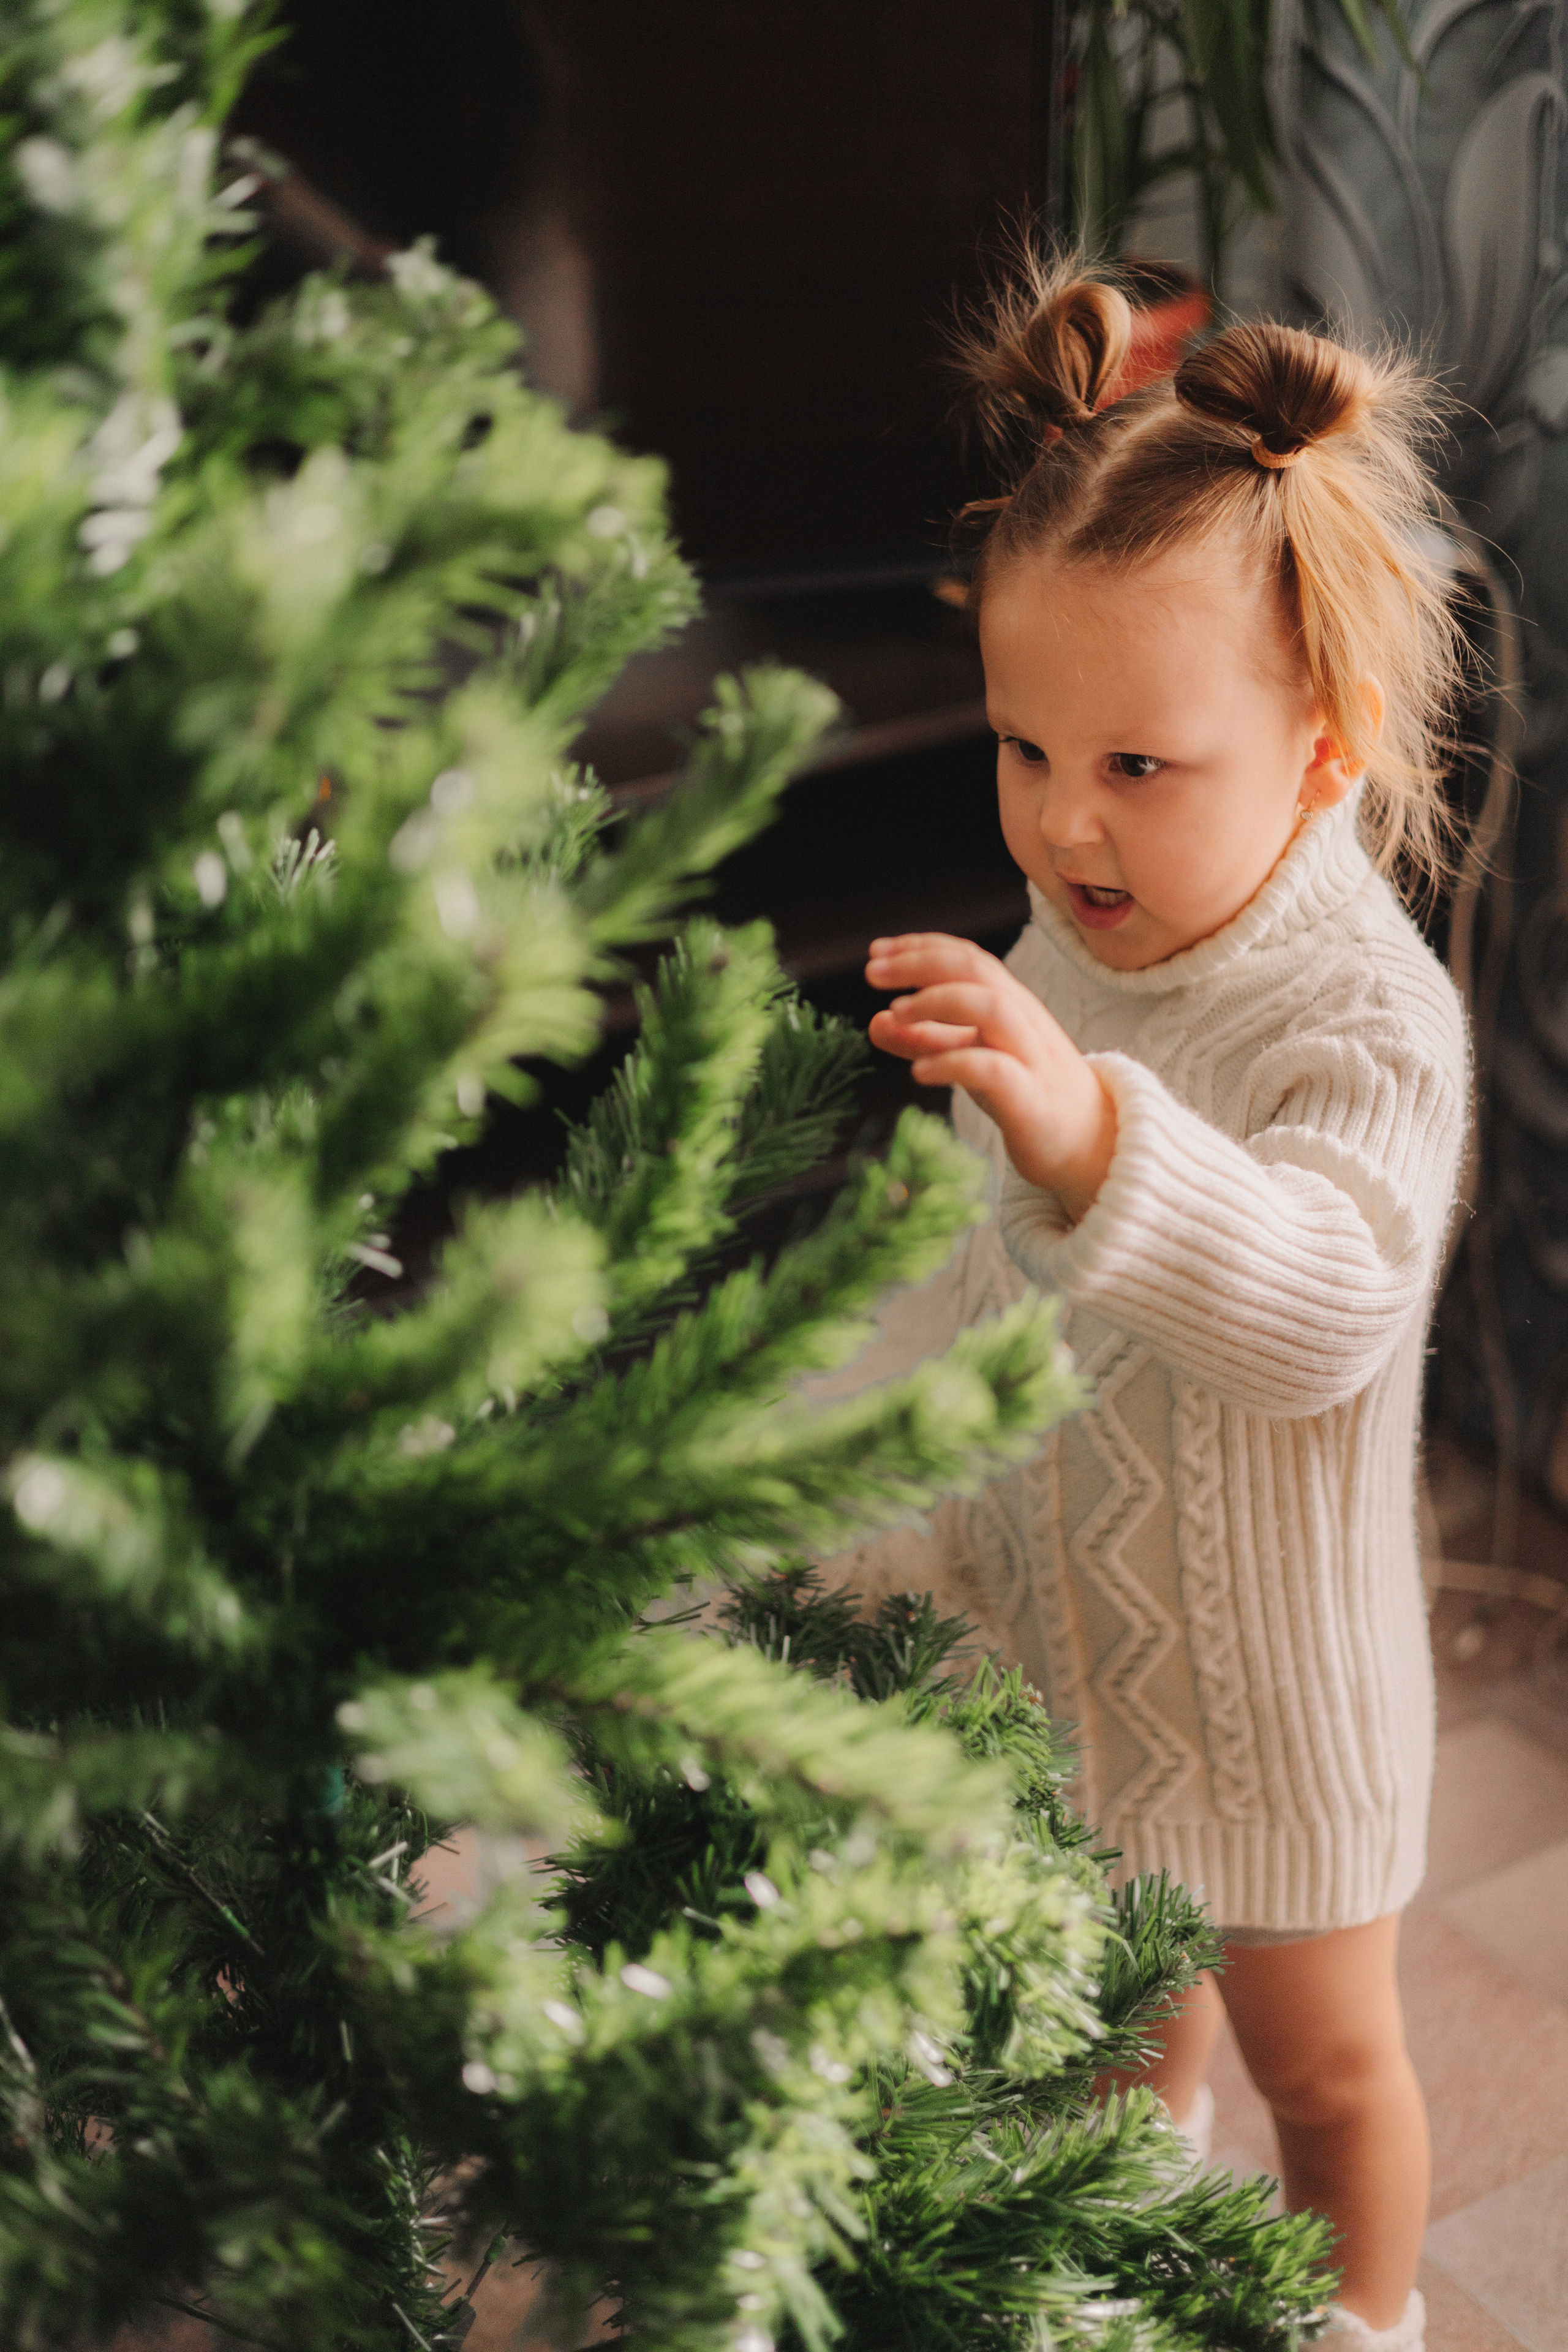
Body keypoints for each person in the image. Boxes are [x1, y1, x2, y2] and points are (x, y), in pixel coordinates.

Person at [854, 257, 1470, 2351]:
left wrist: (1092, 1140)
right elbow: (982, 1270)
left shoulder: (1368, 1017)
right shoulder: (1072, 925)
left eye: (1139, 763)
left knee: (1325, 2071)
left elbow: (1323, 1307)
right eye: (1030, 746)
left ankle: (1362, 2326)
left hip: (1274, 1699)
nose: (1062, 818)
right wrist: (902, 1506)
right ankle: (1115, 2282)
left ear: (1325, 746)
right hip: (1070, 1648)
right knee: (1115, 2051)